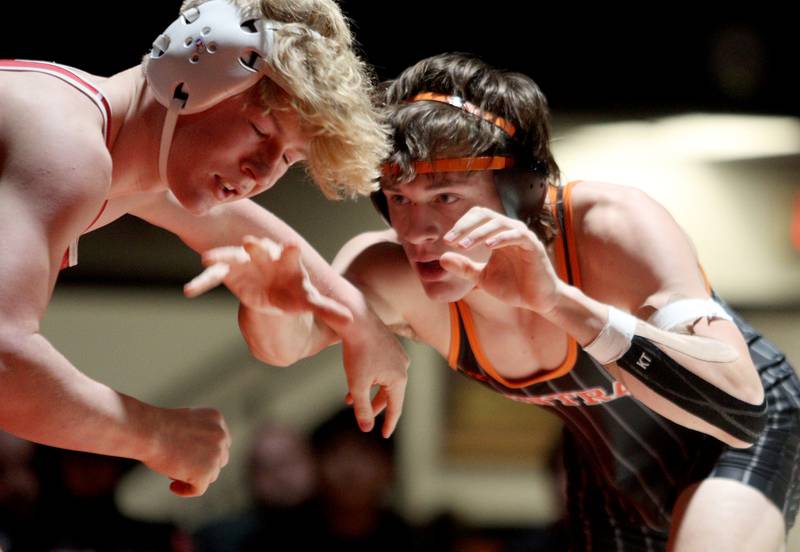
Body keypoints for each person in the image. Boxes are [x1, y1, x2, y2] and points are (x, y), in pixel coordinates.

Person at [200, 53, 800, 550]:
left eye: (447, 197)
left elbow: (738, 401)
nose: (419, 232)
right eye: (400, 200)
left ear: (520, 194)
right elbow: (286, 347)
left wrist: (561, 302)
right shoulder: (388, 271)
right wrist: (269, 303)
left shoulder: (609, 226)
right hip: (608, 474)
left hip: (734, 437)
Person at [0, 0, 408, 499]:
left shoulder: (106, 148)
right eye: (261, 131)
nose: (262, 173)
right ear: (194, 73)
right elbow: (5, 360)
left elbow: (233, 226)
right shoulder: (68, 147)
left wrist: (360, 321)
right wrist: (157, 435)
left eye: (287, 157)